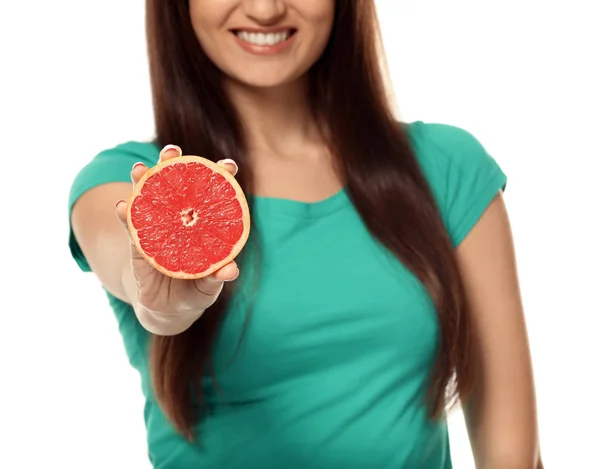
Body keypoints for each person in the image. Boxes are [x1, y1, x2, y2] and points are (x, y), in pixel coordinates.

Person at [68, 1, 543, 468]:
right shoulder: (124, 181)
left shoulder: (446, 167)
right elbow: (131, 270)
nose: (266, 9)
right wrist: (165, 300)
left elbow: (513, 457)